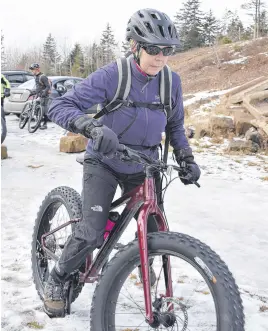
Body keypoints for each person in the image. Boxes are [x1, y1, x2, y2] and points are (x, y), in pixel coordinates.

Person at [45, 8, 201, 318]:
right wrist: (90, 127)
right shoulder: (113, 75)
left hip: (146, 164)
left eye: (167, 50)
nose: (160, 57)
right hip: (104, 160)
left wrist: (186, 158)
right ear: (135, 46)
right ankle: (58, 278)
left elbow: (175, 126)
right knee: (92, 230)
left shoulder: (171, 82)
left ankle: (150, 279)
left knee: (157, 228)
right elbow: (59, 104)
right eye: (153, 49)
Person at [29, 63, 51, 130]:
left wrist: (44, 92)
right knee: (37, 110)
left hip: (44, 96)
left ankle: (45, 124)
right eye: (31, 70)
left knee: (44, 111)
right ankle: (38, 124)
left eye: (32, 70)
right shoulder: (36, 76)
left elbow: (48, 86)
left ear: (37, 69)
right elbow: (38, 87)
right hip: (39, 95)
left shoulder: (43, 76)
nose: (32, 71)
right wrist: (34, 92)